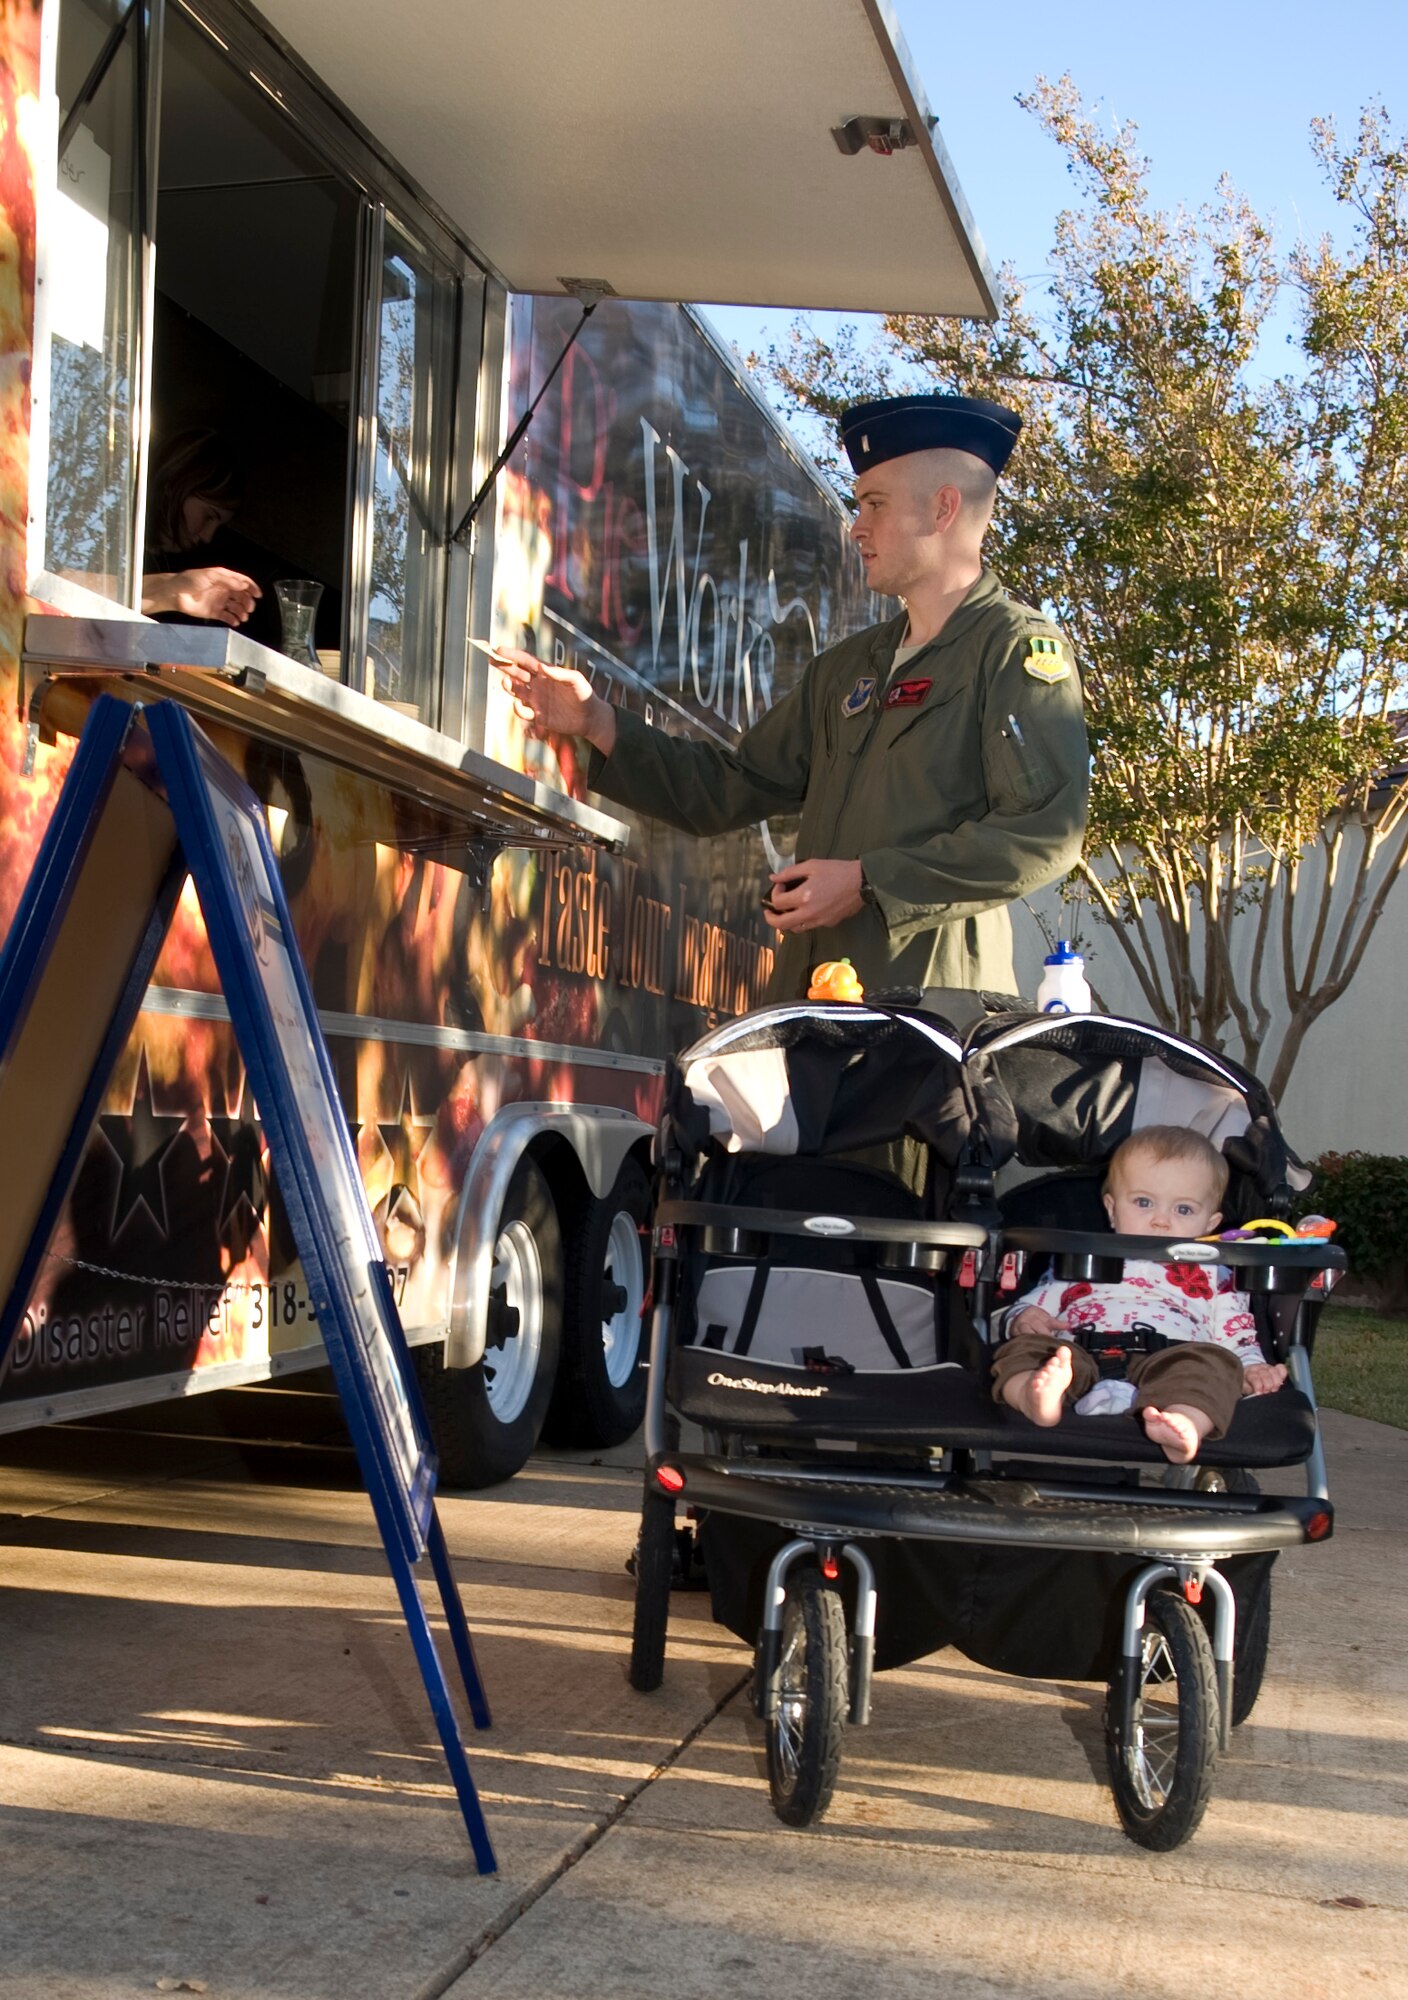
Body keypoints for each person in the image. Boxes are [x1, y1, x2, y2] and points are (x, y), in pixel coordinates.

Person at [493, 392, 1089, 1000]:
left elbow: (1044, 832)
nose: (857, 527)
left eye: (874, 504)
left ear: (943, 509)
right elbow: (730, 786)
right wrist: (595, 720)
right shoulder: (846, 670)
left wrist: (866, 883)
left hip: (929, 1026)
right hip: (809, 1011)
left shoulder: (1012, 652)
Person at [990, 1125, 1289, 1464]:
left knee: (1215, 1367)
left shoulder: (1216, 1273)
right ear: (1112, 1208)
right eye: (1144, 1202)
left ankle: (1184, 1422)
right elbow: (1035, 1303)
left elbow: (1236, 1334)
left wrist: (1252, 1368)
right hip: (1074, 1354)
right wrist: (1023, 1318)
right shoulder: (1084, 1257)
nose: (1160, 1221)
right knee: (1024, 1350)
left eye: (1184, 1210)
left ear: (1210, 1223)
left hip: (1174, 1357)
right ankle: (1034, 1394)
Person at [143, 429, 261, 630]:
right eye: (208, 516)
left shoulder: (187, 570)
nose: (207, 537)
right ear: (176, 485)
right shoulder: (113, 547)